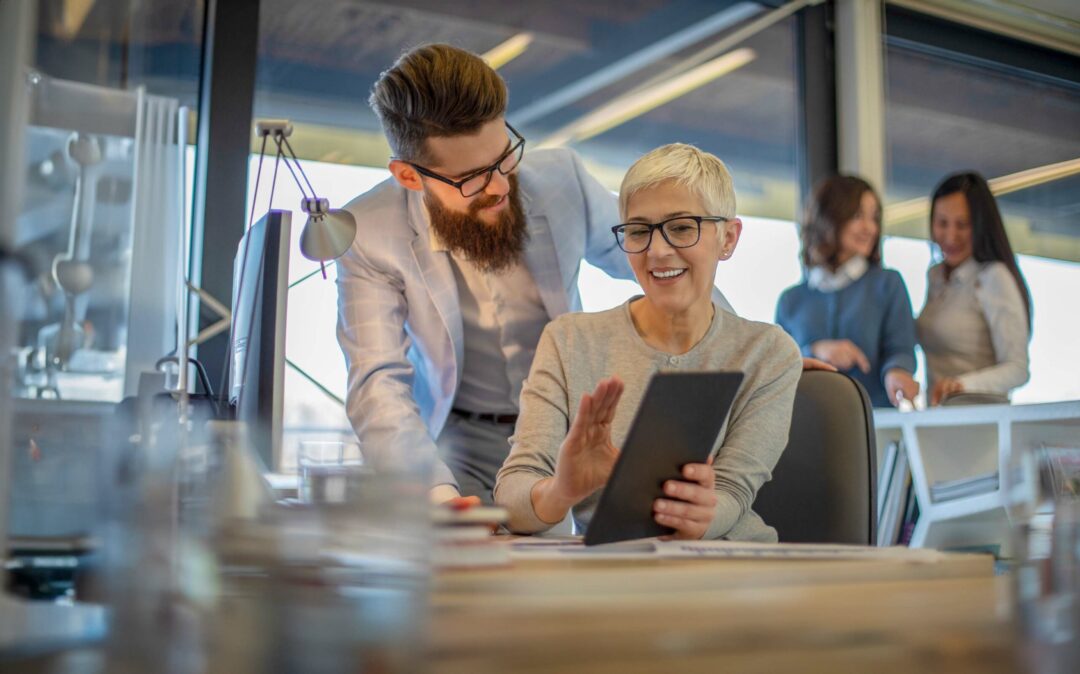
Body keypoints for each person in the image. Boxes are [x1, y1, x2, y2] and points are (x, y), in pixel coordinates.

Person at [336, 44, 740, 506]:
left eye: (505, 156)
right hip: (457, 441)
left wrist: (739, 344)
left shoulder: (561, 179)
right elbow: (378, 381)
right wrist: (436, 497)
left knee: (624, 550)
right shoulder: (368, 232)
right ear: (410, 177)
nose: (502, 186)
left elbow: (661, 261)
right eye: (473, 178)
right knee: (470, 563)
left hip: (576, 424)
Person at [494, 144, 801, 541]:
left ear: (728, 237)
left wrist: (703, 515)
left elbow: (732, 490)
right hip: (615, 580)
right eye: (639, 231)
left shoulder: (768, 353)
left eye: (682, 227)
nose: (657, 250)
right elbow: (515, 491)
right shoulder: (569, 341)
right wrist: (560, 491)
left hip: (731, 573)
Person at [775, 175, 919, 408]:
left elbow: (900, 349)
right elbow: (778, 368)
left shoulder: (887, 284)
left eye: (874, 218)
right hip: (806, 424)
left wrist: (897, 371)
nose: (870, 228)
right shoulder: (790, 301)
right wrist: (815, 350)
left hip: (872, 422)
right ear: (830, 217)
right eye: (857, 216)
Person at [916, 171, 1031, 406]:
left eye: (962, 225)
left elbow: (1018, 369)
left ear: (979, 226)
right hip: (936, 420)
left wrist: (961, 386)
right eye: (942, 223)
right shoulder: (936, 277)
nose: (950, 235)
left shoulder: (993, 277)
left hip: (979, 421)